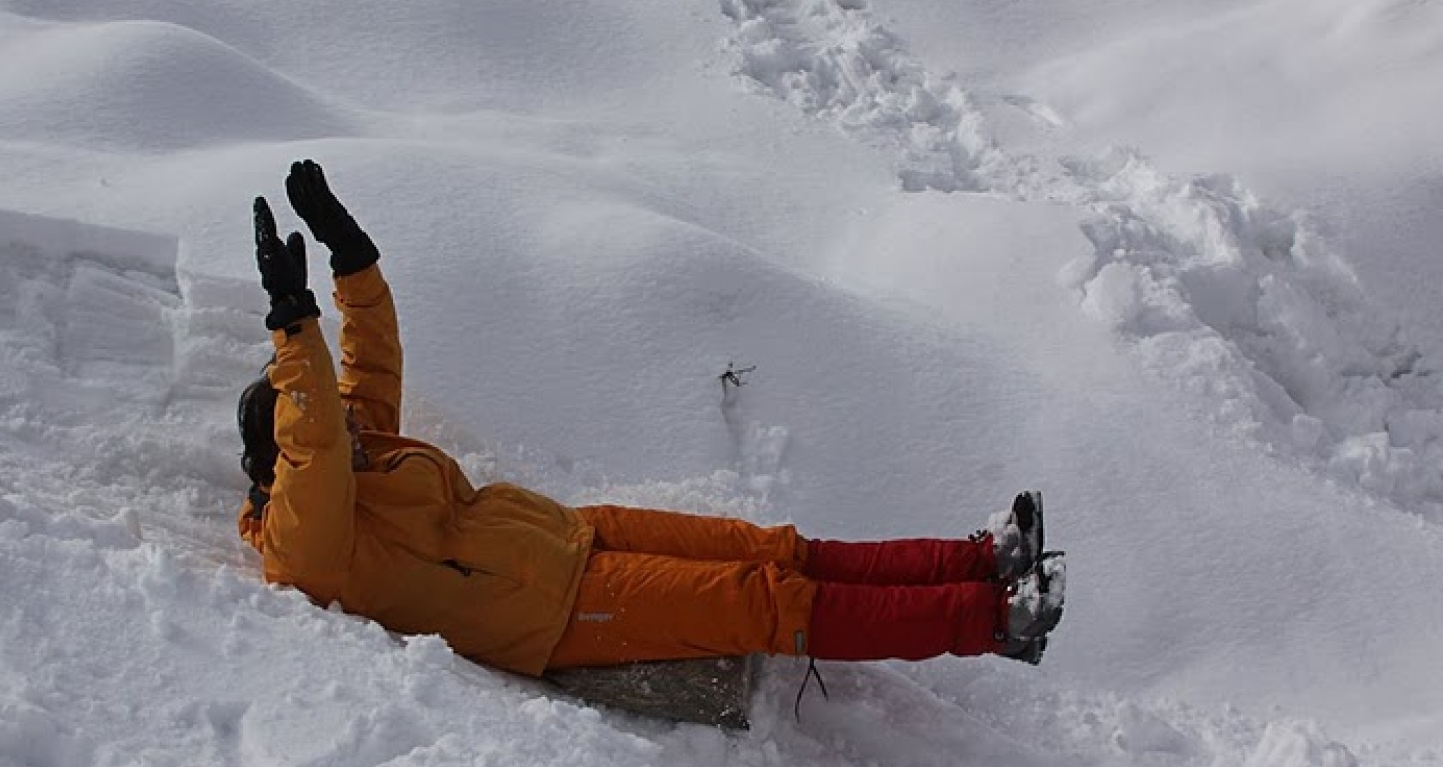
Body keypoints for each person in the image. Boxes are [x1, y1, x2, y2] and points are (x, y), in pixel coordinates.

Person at [237, 161, 1066, 680]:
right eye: (324, 428)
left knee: (772, 548)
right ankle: (995, 623)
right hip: (553, 612)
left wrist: (350, 256)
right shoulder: (304, 540)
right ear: (283, 456)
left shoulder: (359, 450)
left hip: (572, 534)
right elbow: (314, 437)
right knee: (762, 600)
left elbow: (371, 360)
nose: (347, 425)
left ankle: (982, 559)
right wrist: (291, 320)